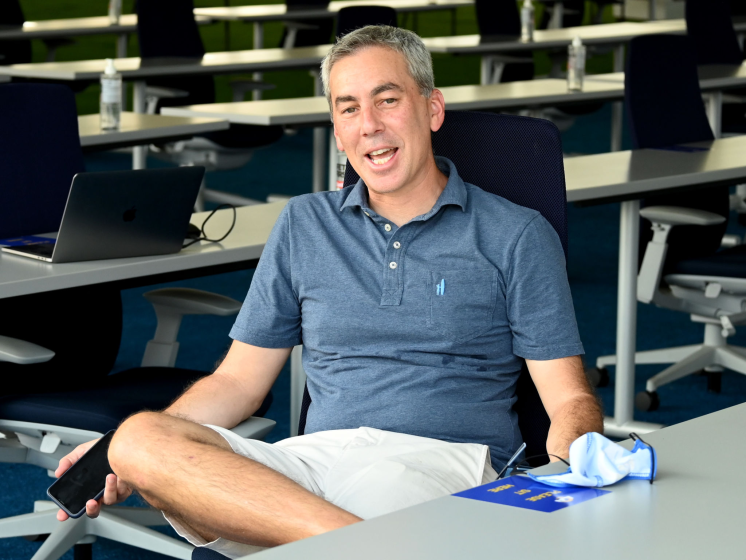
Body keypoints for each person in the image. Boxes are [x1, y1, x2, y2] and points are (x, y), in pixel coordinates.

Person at [55, 25, 602, 558]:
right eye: (348, 108)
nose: (369, 126)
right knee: (138, 437)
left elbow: (569, 398)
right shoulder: (305, 224)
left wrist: (572, 465)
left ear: (432, 109)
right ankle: (362, 546)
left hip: (440, 465)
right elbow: (238, 381)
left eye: (387, 100)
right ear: (337, 130)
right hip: (308, 464)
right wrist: (113, 455)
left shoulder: (516, 234)